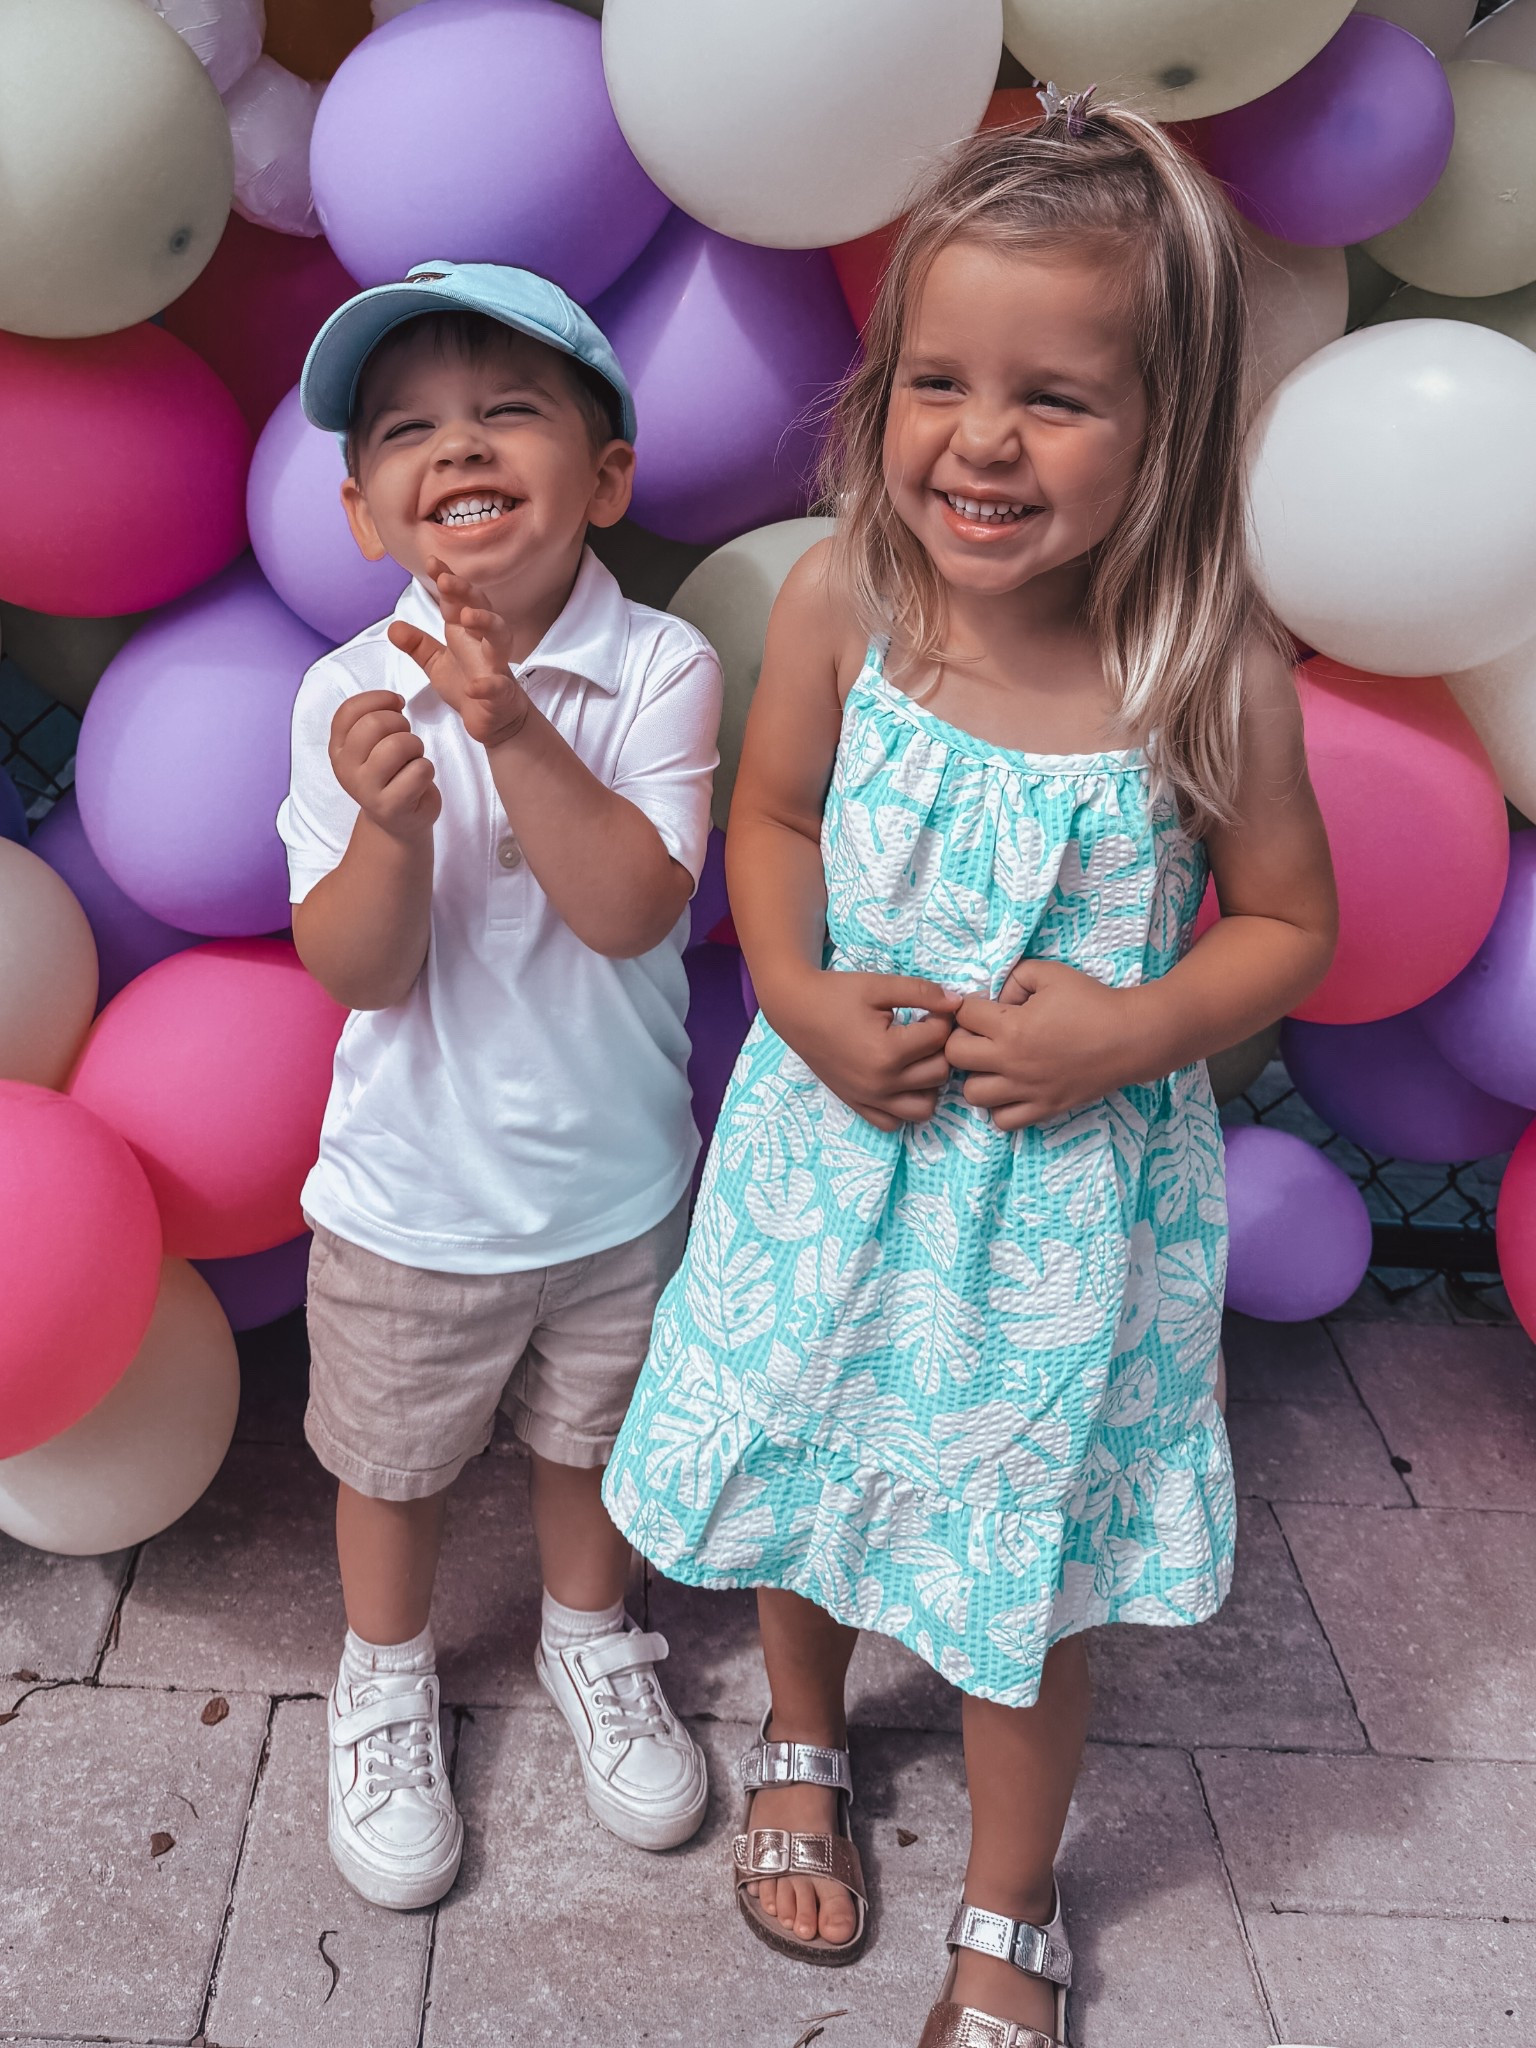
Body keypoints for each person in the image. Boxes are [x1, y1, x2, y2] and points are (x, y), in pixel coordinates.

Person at [602, 97, 1336, 2044]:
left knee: (1023, 1579)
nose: (981, 439)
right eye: (940, 379)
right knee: (806, 1476)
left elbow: (1287, 923)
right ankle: (806, 1730)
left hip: (1057, 1219)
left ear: (1166, 420)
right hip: (835, 1155)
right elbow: (768, 823)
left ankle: (1012, 1913)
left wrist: (1136, 1023)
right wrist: (802, 989)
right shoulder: (853, 599)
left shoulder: (1206, 665)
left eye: (1056, 395)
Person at [279, 261, 722, 1910]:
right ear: (365, 512)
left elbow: (631, 908)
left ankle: (592, 1642)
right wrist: (393, 826)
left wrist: (518, 731)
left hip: (618, 1190)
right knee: (389, 1464)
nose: (457, 442)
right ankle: (384, 1679)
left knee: (590, 1447)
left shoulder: (663, 668)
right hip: (413, 1197)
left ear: (604, 478)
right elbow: (359, 970)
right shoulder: (343, 696)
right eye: (409, 429)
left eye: (507, 410)